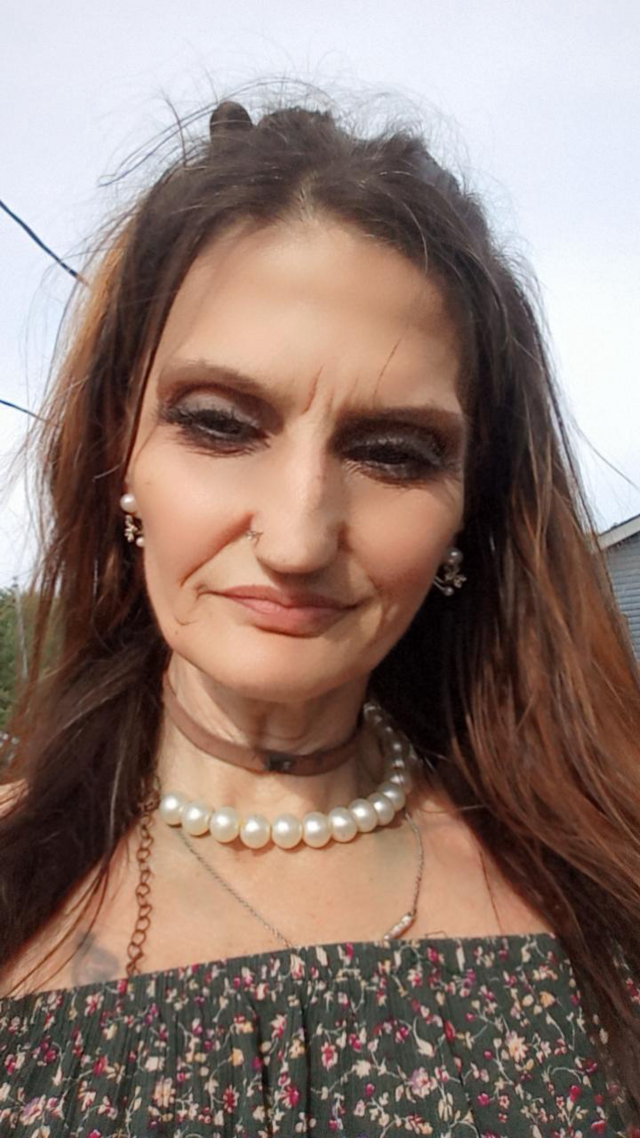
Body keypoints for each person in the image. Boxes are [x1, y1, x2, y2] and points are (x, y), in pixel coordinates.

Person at [0, 87, 639, 1137]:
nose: (297, 540)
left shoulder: (603, 893)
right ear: (122, 453)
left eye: (392, 453)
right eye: (219, 424)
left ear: (469, 509)